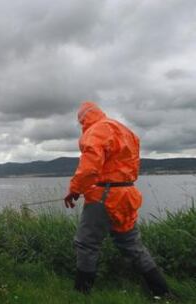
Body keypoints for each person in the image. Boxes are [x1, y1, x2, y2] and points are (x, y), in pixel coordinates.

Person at [64, 101, 169, 297]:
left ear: (83, 119)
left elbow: (89, 168)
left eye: (81, 122)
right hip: (128, 194)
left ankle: (81, 293)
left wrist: (74, 190)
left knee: (86, 243)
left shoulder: (96, 131)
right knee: (131, 244)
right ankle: (162, 292)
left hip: (105, 195)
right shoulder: (125, 131)